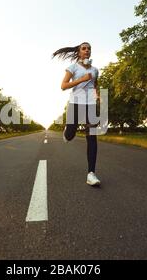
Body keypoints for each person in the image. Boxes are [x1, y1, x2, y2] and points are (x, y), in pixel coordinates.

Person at [52, 42, 101, 186]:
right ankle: (67, 131)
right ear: (79, 52)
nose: (87, 50)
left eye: (89, 48)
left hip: (90, 105)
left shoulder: (95, 70)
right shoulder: (73, 67)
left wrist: (97, 95)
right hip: (75, 103)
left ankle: (91, 174)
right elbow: (63, 86)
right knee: (70, 135)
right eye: (84, 48)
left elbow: (95, 84)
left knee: (92, 137)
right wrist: (81, 79)